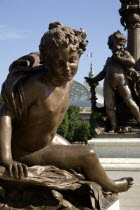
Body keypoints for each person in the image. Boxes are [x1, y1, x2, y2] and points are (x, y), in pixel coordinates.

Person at [0, 23, 133, 193]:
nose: (67, 69)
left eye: (72, 61)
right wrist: (7, 159)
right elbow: (5, 113)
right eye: (59, 63)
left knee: (75, 161)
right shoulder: (36, 86)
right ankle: (111, 186)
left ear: (79, 56)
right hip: (27, 150)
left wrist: (68, 33)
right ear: (46, 60)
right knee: (88, 154)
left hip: (49, 139)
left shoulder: (68, 82)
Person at [85, 30, 140, 132]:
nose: (114, 47)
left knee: (130, 102)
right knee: (109, 106)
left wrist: (120, 58)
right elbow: (103, 73)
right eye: (112, 45)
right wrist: (93, 79)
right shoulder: (109, 59)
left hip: (122, 82)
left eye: (116, 44)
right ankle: (114, 127)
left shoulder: (124, 53)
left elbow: (132, 62)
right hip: (108, 83)